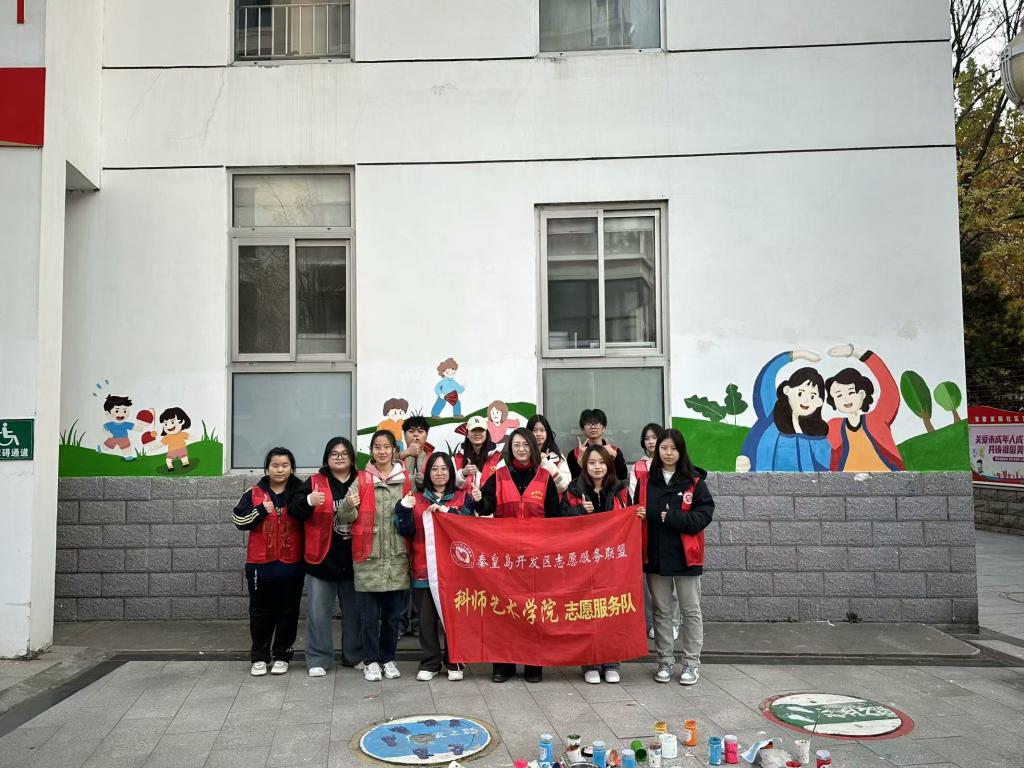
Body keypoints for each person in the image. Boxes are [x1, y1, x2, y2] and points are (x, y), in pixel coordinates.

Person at [479, 428, 560, 682]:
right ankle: (503, 665)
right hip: (505, 558)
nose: (521, 449)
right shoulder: (499, 476)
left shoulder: (545, 478)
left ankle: (533, 664)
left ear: (532, 447)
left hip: (536, 558)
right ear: (510, 448)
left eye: (525, 444)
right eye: (516, 445)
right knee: (504, 611)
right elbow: (487, 507)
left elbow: (555, 519)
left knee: (534, 612)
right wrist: (479, 499)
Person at [557, 445, 642, 684]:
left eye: (602, 462)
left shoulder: (620, 490)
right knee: (588, 612)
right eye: (592, 462)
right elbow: (559, 522)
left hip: (613, 563)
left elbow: (628, 517)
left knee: (611, 611)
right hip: (583, 563)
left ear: (609, 465)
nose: (597, 467)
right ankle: (591, 662)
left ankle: (612, 662)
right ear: (585, 465)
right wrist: (578, 510)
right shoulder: (574, 490)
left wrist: (637, 516)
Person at [638, 429, 714, 686]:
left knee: (690, 610)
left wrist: (673, 518)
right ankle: (665, 661)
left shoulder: (695, 482)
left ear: (681, 451)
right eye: (664, 448)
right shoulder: (646, 481)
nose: (668, 453)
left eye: (673, 448)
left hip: (686, 557)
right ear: (656, 450)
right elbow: (637, 513)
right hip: (655, 555)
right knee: (661, 611)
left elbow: (703, 516)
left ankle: (691, 662)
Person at [396, 452, 480, 681]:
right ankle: (430, 662)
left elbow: (470, 527)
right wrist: (402, 509)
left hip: (455, 571)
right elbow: (405, 530)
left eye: (444, 469)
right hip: (423, 568)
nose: (439, 473)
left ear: (451, 472)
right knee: (426, 619)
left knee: (455, 617)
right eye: (434, 469)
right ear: (427, 474)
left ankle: (455, 660)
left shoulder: (462, 497)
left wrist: (449, 512)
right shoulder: (416, 498)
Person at [336, 430, 412, 683]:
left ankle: (388, 659)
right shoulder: (361, 479)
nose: (382, 451)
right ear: (371, 451)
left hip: (397, 557)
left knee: (392, 616)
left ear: (394, 450)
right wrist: (349, 504)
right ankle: (370, 661)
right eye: (377, 447)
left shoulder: (406, 480)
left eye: (386, 447)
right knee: (369, 617)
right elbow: (345, 517)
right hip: (369, 557)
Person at [288, 437, 363, 677]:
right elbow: (294, 509)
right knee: (318, 614)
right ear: (326, 458)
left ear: (352, 458)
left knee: (355, 614)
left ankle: (355, 655)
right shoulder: (314, 482)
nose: (339, 458)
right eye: (334, 454)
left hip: (355, 559)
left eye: (344, 453)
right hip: (321, 559)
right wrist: (308, 501)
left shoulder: (363, 481)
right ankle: (318, 658)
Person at [232, 447, 305, 677]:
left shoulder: (300, 492)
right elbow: (238, 520)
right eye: (275, 465)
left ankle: (282, 655)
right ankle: (259, 657)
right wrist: (260, 510)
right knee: (260, 612)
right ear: (267, 468)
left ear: (291, 467)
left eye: (285, 465)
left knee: (288, 611)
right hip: (259, 563)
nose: (280, 470)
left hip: (292, 562)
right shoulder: (254, 492)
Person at [739, 351, 831, 472]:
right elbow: (766, 378)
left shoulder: (818, 436)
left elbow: (828, 466)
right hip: (763, 481)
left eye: (812, 396)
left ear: (819, 402)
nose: (805, 400)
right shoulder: (771, 414)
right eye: (800, 393)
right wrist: (795, 355)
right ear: (787, 390)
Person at [630, 423, 679, 640]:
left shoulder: (675, 468)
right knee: (651, 582)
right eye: (647, 438)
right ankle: (653, 622)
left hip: (671, 528)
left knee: (673, 581)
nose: (651, 441)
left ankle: (674, 622)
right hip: (646, 528)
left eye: (655, 437)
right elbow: (634, 496)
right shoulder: (638, 468)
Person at [824, 344, 905, 471]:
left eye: (851, 392)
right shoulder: (833, 426)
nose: (846, 399)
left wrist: (855, 352)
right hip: (847, 481)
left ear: (862, 394)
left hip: (887, 477)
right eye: (839, 395)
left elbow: (890, 391)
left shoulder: (876, 419)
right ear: (833, 400)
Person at [567, 408, 628, 482]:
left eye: (597, 424)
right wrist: (580, 463)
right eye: (588, 424)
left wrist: (614, 459)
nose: (593, 427)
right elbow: (573, 481)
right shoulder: (575, 454)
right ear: (582, 429)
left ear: (604, 428)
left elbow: (623, 477)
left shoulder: (614, 451)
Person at [453, 415, 501, 489]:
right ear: (467, 434)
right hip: (464, 497)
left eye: (481, 430)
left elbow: (502, 485)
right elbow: (450, 485)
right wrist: (463, 473)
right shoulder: (456, 457)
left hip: (488, 496)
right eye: (473, 430)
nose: (477, 433)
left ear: (486, 433)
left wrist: (483, 494)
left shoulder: (497, 456)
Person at [527, 414, 571, 494]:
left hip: (550, 500)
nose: (538, 434)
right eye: (534, 430)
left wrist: (546, 462)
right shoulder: (523, 455)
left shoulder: (557, 457)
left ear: (547, 432)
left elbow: (563, 486)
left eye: (542, 430)